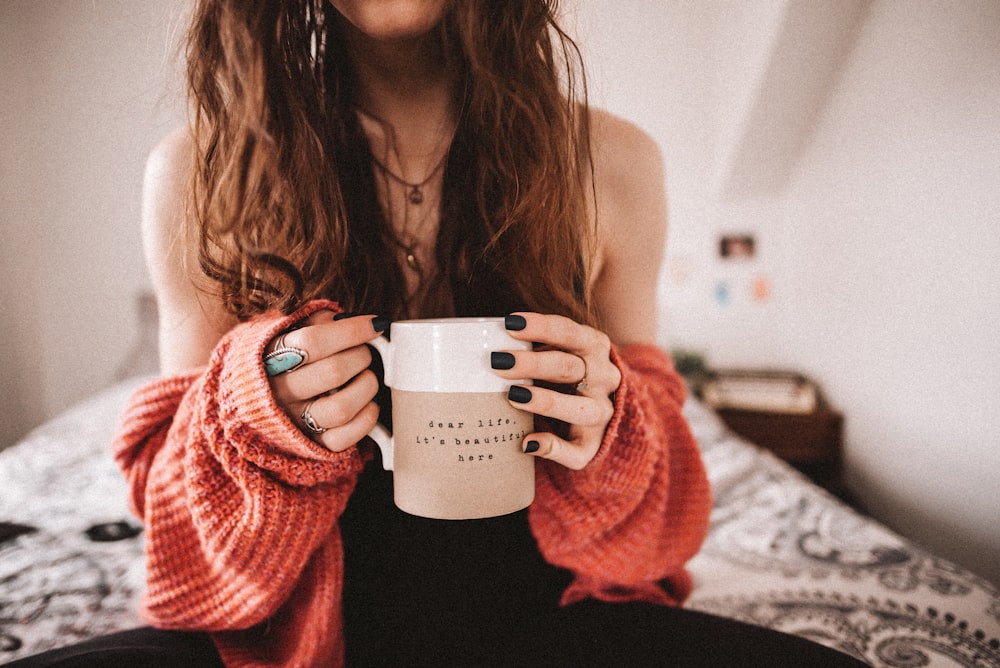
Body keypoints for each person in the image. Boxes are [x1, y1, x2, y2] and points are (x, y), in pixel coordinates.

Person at [10, 1, 868, 667]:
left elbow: (664, 540)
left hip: (558, 631)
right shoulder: (200, 172)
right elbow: (183, 557)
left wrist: (614, 435)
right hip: (289, 644)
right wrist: (254, 417)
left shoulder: (613, 163)